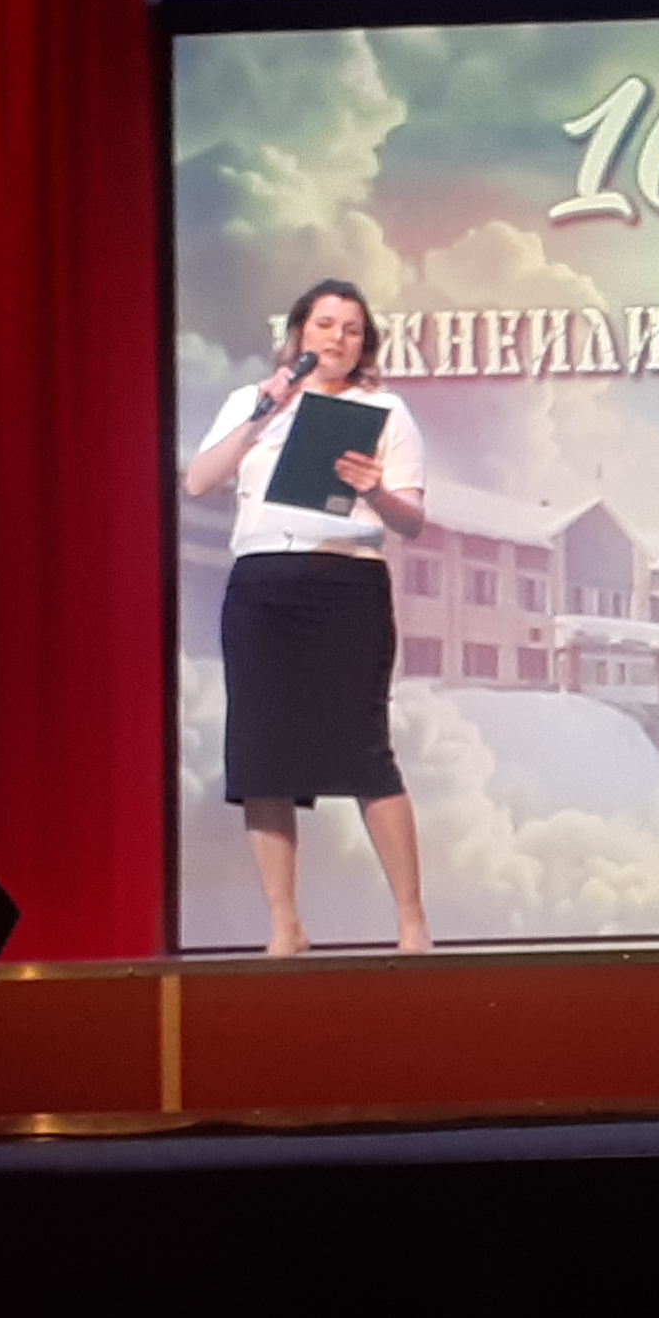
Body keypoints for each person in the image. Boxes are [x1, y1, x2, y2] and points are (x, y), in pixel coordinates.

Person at [184, 278, 433, 956]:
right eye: (325, 325)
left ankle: (412, 922)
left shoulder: (384, 410)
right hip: (262, 586)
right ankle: (284, 924)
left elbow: (412, 520)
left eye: (351, 329)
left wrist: (375, 490)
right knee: (261, 756)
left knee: (365, 752)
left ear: (364, 343)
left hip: (345, 584)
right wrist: (263, 412)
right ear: (298, 333)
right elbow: (199, 481)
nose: (337, 338)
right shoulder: (253, 401)